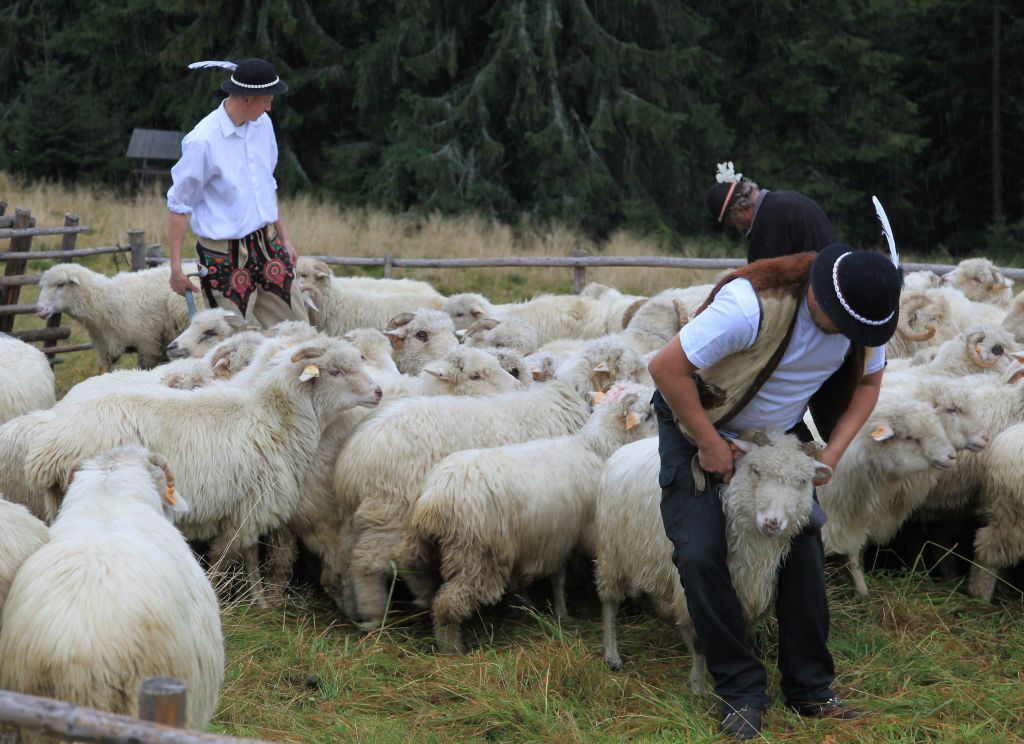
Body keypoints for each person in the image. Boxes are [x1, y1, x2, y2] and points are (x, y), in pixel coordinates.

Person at [647, 243, 902, 739]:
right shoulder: (749, 306)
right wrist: (708, 443)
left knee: (805, 542)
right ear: (818, 290)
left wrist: (830, 455)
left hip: (780, 438)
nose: (852, 338)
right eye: (839, 323)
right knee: (700, 550)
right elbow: (665, 368)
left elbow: (869, 385)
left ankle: (810, 686)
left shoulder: (863, 319)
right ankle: (740, 688)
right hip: (699, 420)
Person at [166, 57, 308, 329]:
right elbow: (179, 205)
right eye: (266, 100)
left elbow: (268, 184)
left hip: (267, 244)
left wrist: (285, 238)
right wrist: (176, 269)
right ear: (246, 97)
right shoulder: (202, 140)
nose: (269, 107)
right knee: (232, 343)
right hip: (222, 254)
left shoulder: (263, 124)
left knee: (296, 329)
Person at [705, 162, 838, 263]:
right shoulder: (782, 200)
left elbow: (763, 279)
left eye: (731, 223)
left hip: (820, 288)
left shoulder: (767, 221)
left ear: (740, 211)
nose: (737, 228)